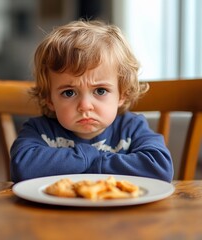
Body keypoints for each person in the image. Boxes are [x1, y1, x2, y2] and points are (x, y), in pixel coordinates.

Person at [10, 20, 174, 183]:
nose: (85, 106)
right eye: (69, 92)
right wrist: (88, 156)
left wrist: (92, 161)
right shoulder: (40, 130)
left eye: (100, 91)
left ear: (122, 93)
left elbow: (159, 167)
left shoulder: (131, 128)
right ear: (49, 99)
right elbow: (22, 167)